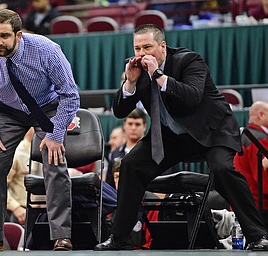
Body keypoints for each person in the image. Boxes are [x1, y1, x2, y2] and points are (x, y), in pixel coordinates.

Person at [94, 24, 268, 251]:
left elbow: (192, 98)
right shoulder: (139, 72)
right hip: (172, 136)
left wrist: (158, 75)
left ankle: (257, 236)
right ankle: (119, 238)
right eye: (137, 48)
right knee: (131, 165)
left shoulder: (189, 61)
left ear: (163, 47)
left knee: (223, 170)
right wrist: (130, 82)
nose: (142, 53)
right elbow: (119, 111)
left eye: (148, 46)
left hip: (211, 130)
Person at [0, 8, 79, 251]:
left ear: (19, 35)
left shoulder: (46, 50)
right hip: (8, 111)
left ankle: (62, 236)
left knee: (54, 162)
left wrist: (55, 134)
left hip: (46, 109)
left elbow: (70, 96)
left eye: (4, 36)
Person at [234, 101, 268, 229]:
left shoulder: (241, 137)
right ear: (261, 115)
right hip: (260, 207)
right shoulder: (260, 140)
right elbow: (264, 184)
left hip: (242, 204)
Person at [7, 127, 43, 225]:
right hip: (22, 212)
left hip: (46, 210)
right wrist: (15, 207)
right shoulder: (17, 152)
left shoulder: (49, 147)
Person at [106, 108, 147, 189]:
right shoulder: (115, 154)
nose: (133, 128)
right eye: (130, 124)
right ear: (124, 125)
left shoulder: (152, 152)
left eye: (137, 124)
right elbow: (109, 185)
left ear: (144, 126)